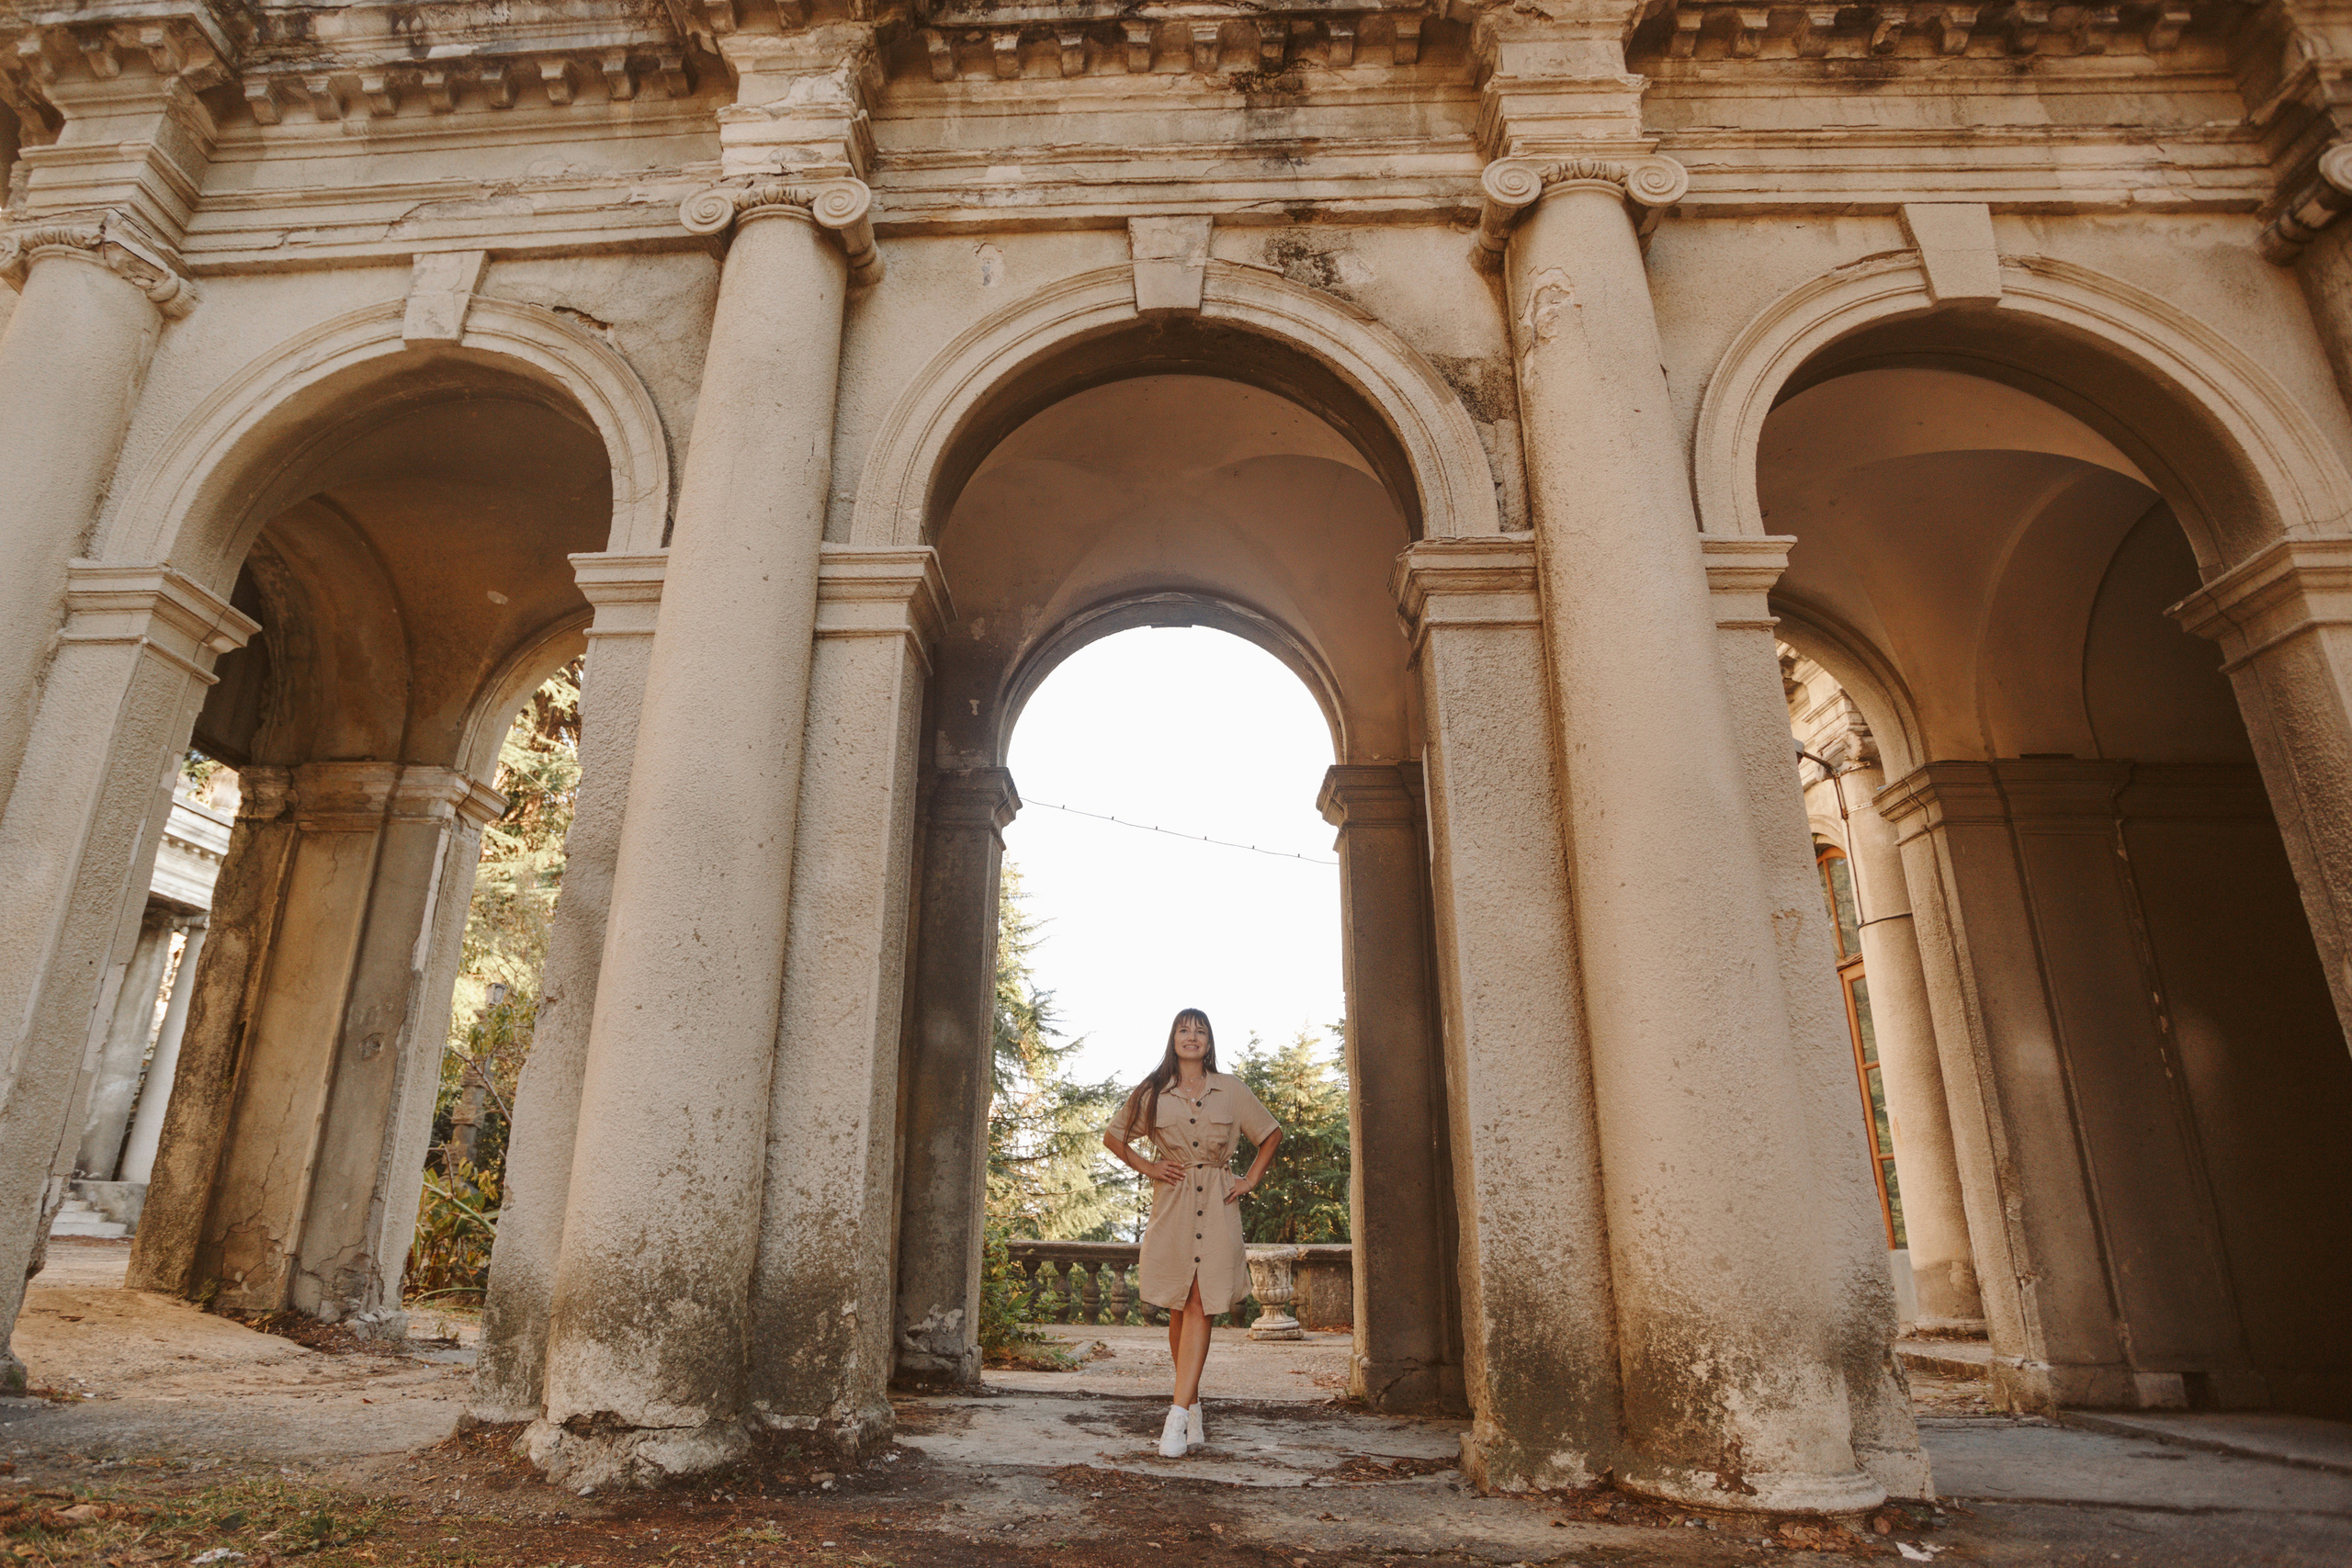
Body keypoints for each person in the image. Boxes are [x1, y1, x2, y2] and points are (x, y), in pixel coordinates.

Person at [1102, 1007, 1283, 1459]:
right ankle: (1195, 1404)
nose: (1192, 1036)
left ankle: (1176, 1416)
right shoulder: (1153, 1091)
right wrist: (1147, 1166)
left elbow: (1271, 1134)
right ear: (1173, 1038)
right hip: (1174, 1202)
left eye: (1200, 1031)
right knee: (1180, 1306)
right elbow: (1114, 1136)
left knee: (1202, 1302)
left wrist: (1250, 1180)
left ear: (1209, 1042)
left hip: (1219, 1202)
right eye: (1184, 1030)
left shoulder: (1232, 1090)